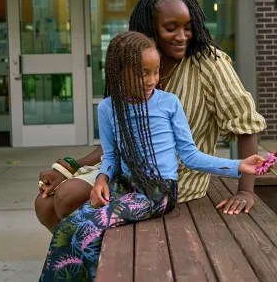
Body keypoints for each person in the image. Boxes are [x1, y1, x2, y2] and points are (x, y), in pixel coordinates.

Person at [35, 0, 267, 233]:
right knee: (44, 204)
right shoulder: (135, 64)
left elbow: (245, 124)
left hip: (171, 178)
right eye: (171, 28)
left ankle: (95, 260)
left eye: (188, 27)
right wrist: (72, 165)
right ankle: (86, 264)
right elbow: (121, 138)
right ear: (149, 28)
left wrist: (245, 191)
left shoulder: (209, 63)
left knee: (67, 196)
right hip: (126, 171)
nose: (182, 36)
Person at [39, 31, 264, 281]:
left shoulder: (169, 104)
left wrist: (238, 166)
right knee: (66, 228)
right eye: (143, 73)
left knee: (88, 229)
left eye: (156, 71)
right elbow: (111, 156)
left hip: (158, 193)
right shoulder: (107, 108)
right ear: (119, 72)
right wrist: (101, 179)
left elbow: (191, 156)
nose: (152, 80)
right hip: (124, 186)